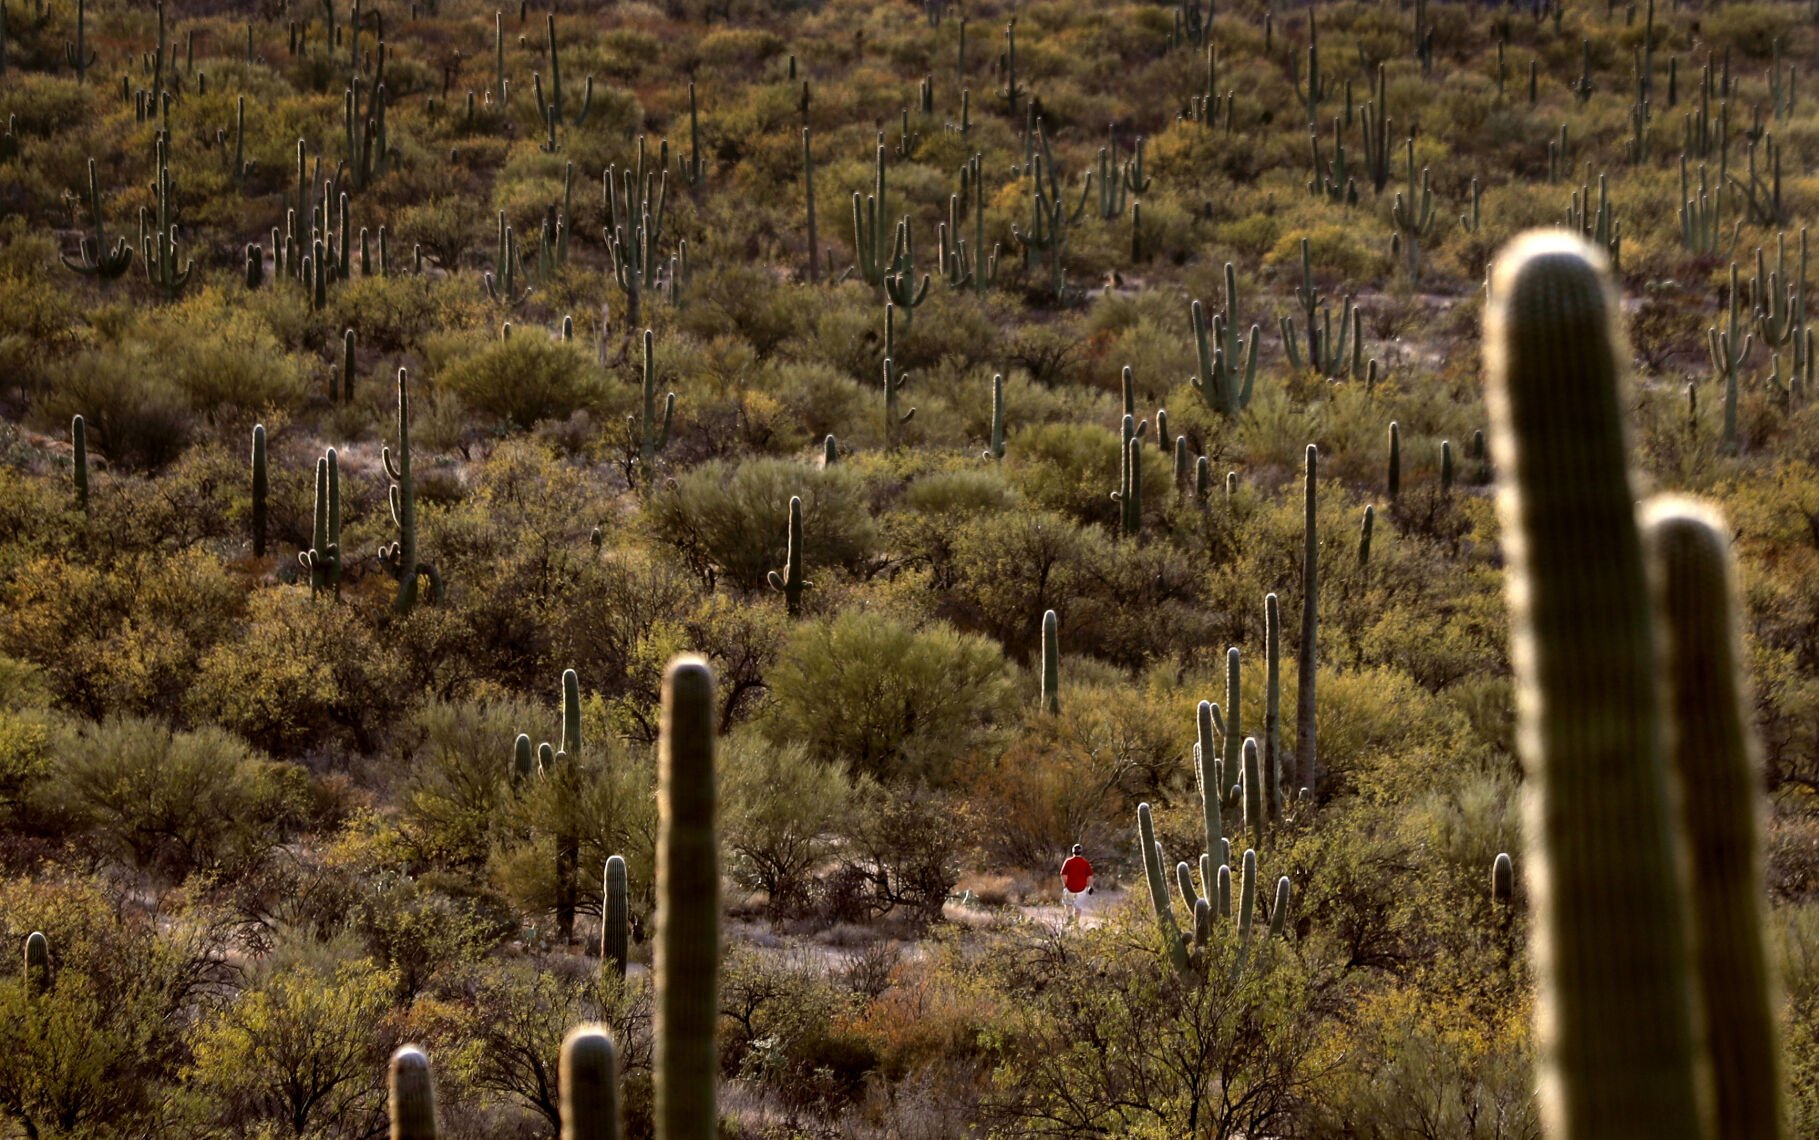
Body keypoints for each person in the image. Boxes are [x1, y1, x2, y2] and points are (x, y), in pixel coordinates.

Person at [1060, 844, 1094, 923]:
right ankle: (1076, 923)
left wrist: (1065, 885)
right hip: (1082, 888)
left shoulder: (1068, 861)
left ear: (1073, 851)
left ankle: (1069, 918)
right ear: (1081, 852)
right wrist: (1089, 886)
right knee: (1078, 907)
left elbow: (1063, 874)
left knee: (1067, 903)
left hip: (1069, 888)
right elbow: (1089, 876)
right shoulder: (1085, 863)